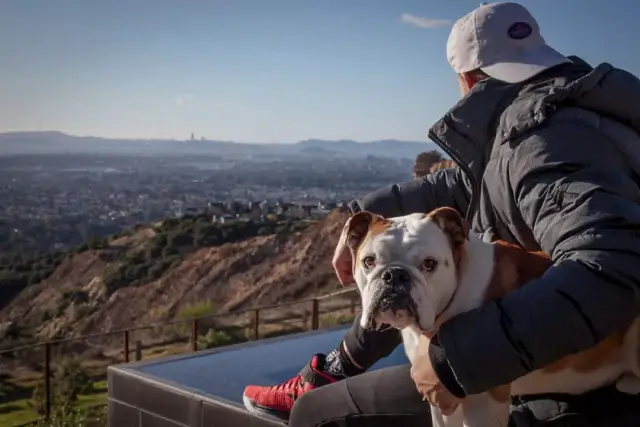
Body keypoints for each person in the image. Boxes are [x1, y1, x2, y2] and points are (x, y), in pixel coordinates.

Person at [243, 2, 640, 426]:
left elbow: (611, 265)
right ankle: (331, 370)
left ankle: (323, 381)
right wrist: (362, 217)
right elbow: (465, 185)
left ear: (465, 79)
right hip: (555, 348)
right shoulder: (557, 117)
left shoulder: (545, 142)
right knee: (409, 275)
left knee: (318, 415)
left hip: (587, 370)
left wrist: (456, 360)